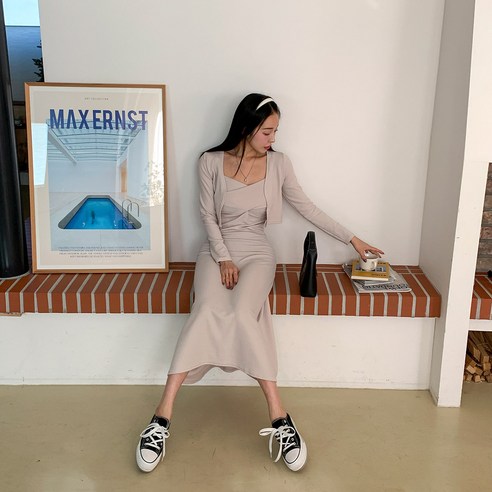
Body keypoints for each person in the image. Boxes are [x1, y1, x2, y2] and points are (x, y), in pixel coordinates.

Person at [136, 93, 384, 473]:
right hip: (216, 251)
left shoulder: (279, 164)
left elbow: (308, 207)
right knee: (206, 309)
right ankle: (161, 418)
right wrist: (223, 257)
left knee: (242, 312)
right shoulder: (210, 162)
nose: (273, 138)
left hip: (257, 253)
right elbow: (207, 215)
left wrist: (353, 239)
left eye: (275, 132)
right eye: (267, 131)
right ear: (247, 127)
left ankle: (280, 417)